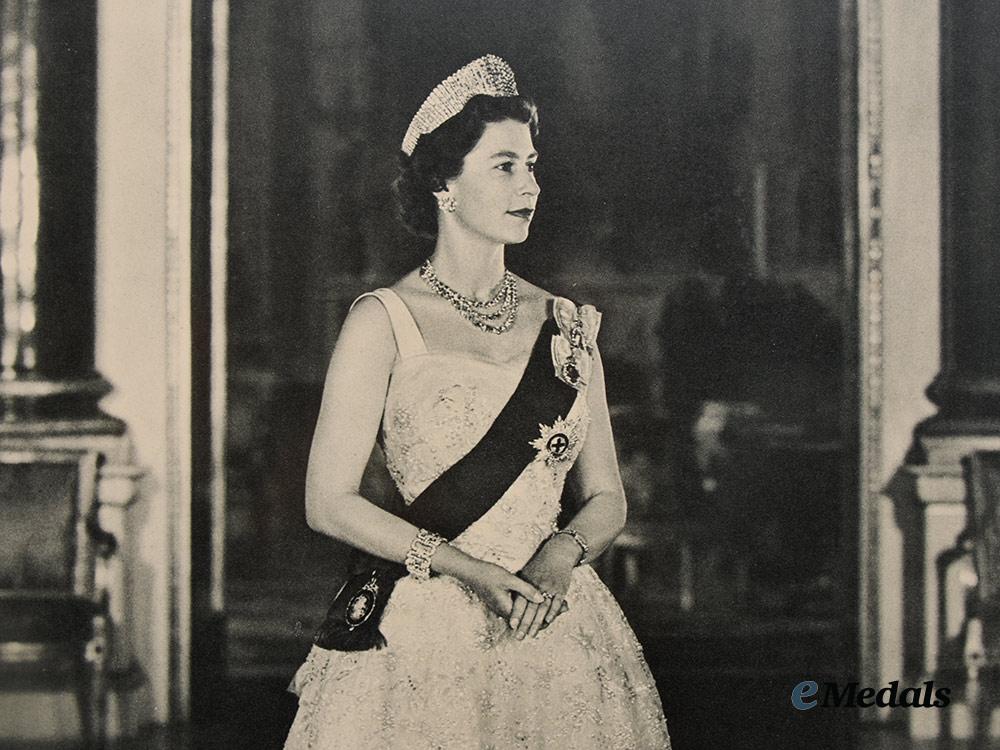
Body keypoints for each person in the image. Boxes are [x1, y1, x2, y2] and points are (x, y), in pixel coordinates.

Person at [283, 54, 671, 749]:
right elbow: (327, 501)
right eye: (504, 166)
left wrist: (559, 553)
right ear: (444, 183)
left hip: (551, 620)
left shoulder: (566, 323)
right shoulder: (382, 320)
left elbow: (607, 496)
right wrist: (468, 570)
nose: (530, 185)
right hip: (426, 626)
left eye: (531, 164)